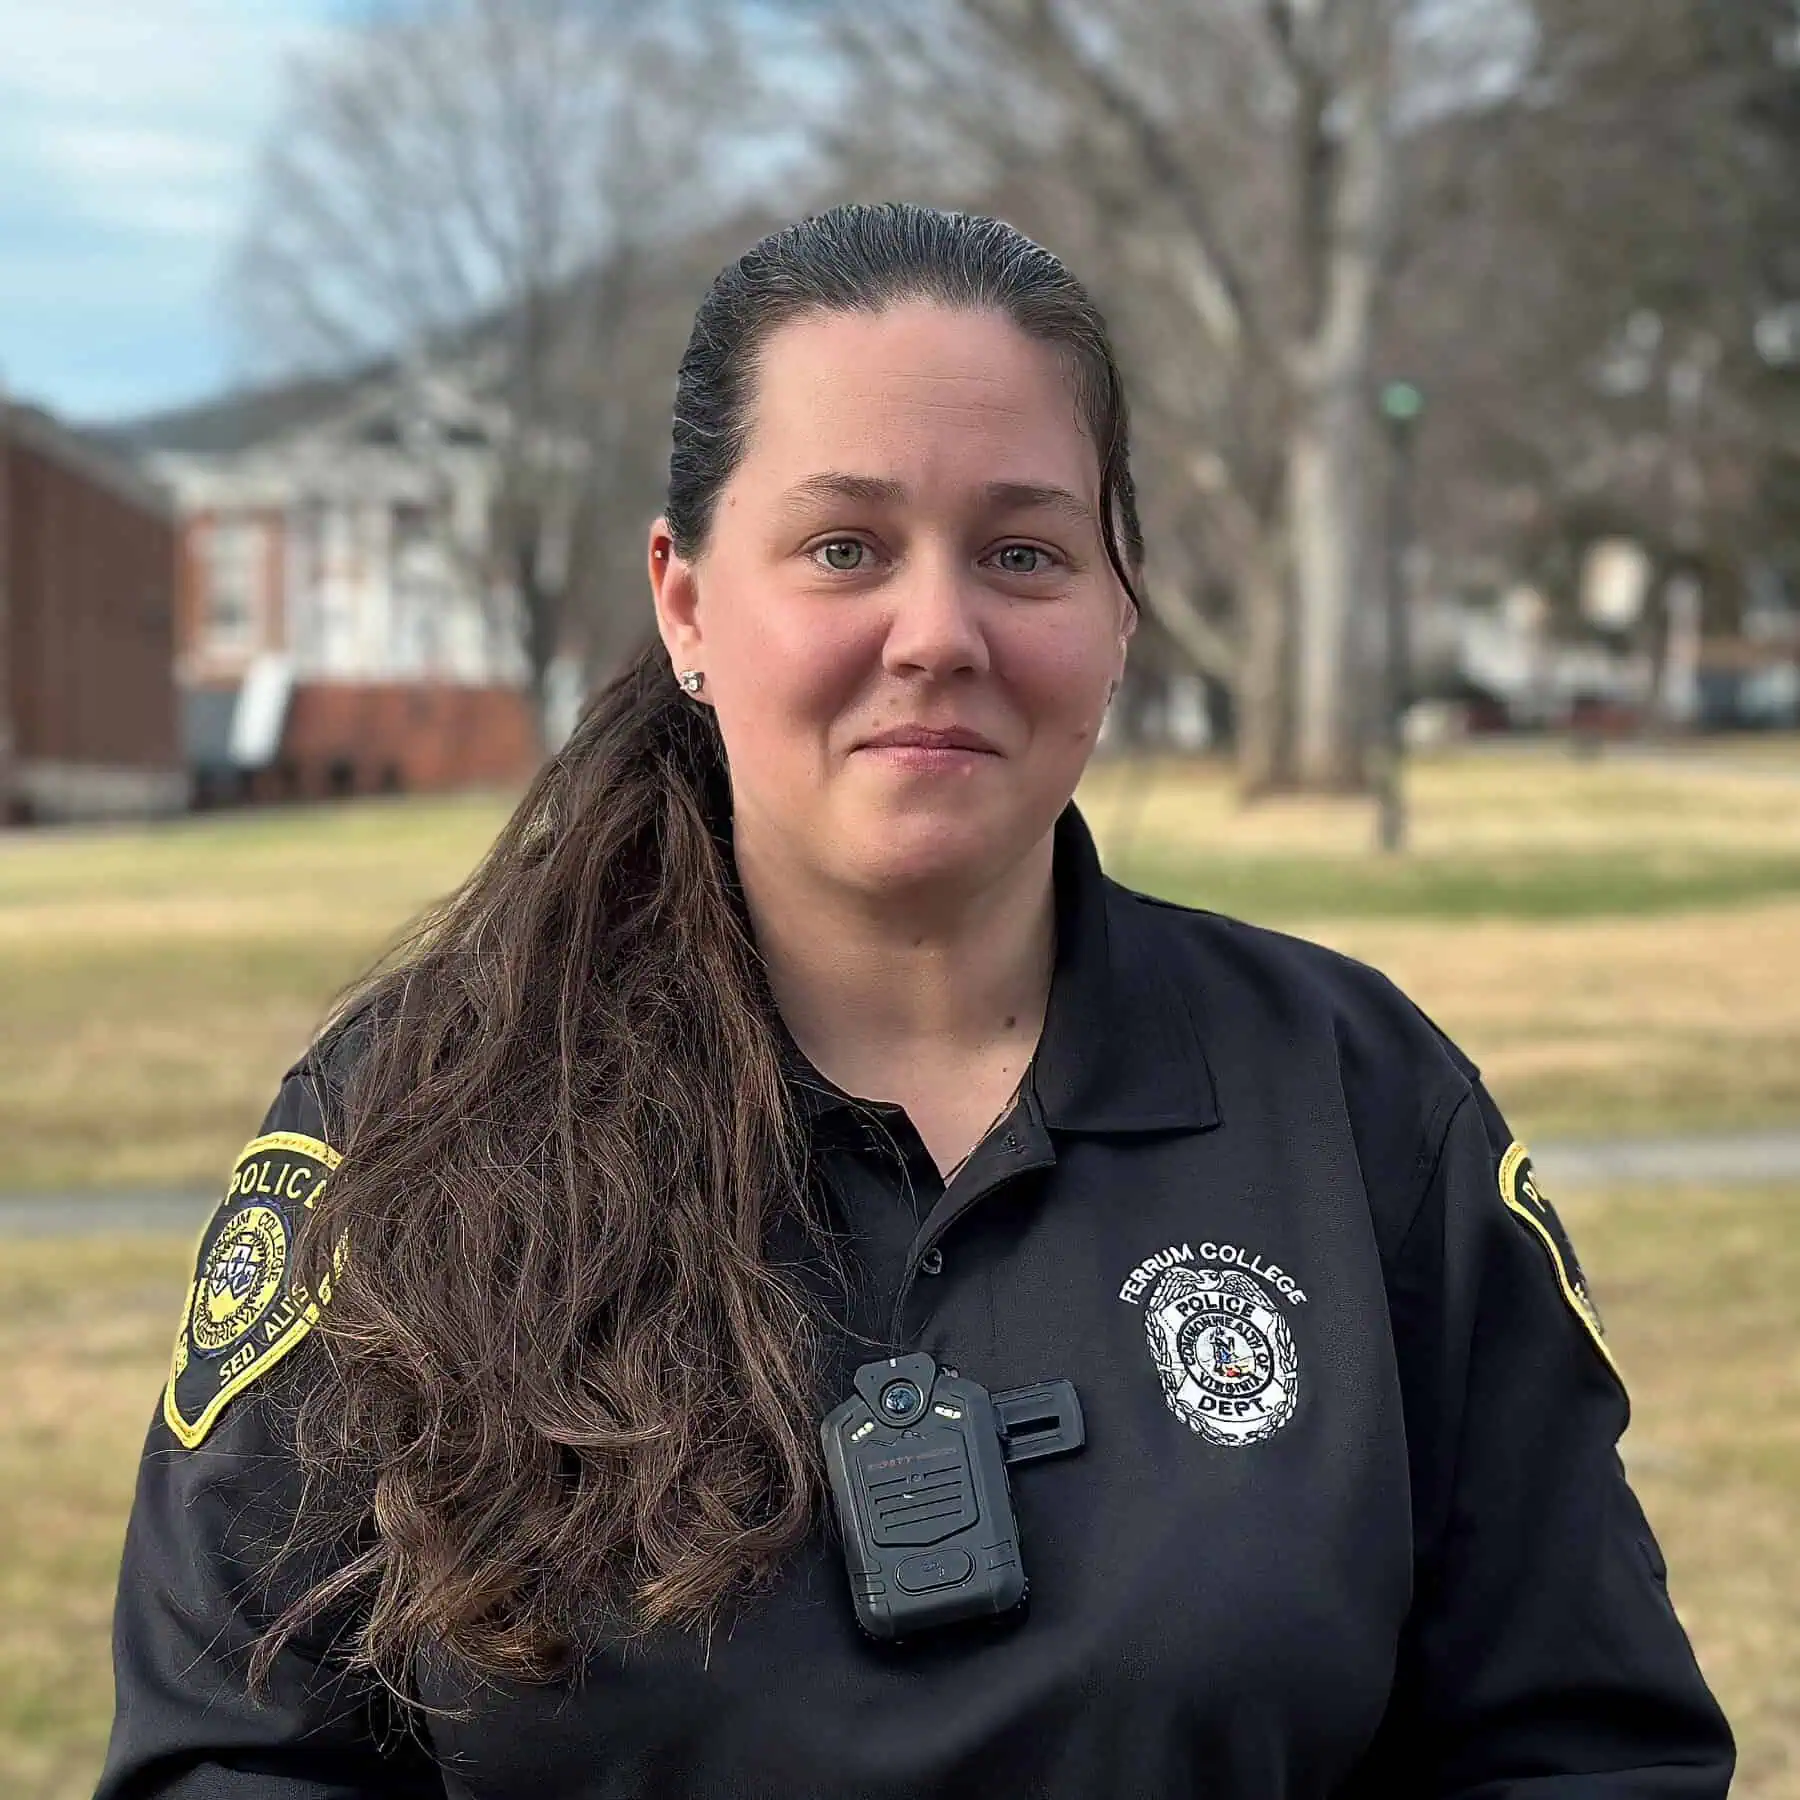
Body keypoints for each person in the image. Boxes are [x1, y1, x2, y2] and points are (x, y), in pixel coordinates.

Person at [96, 202, 1733, 1800]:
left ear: (1117, 614)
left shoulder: (1366, 1110)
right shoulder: (405, 1125)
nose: (937, 633)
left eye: (1022, 552)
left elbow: (1586, 1745)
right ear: (685, 603)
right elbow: (234, 1756)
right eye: (844, 549)